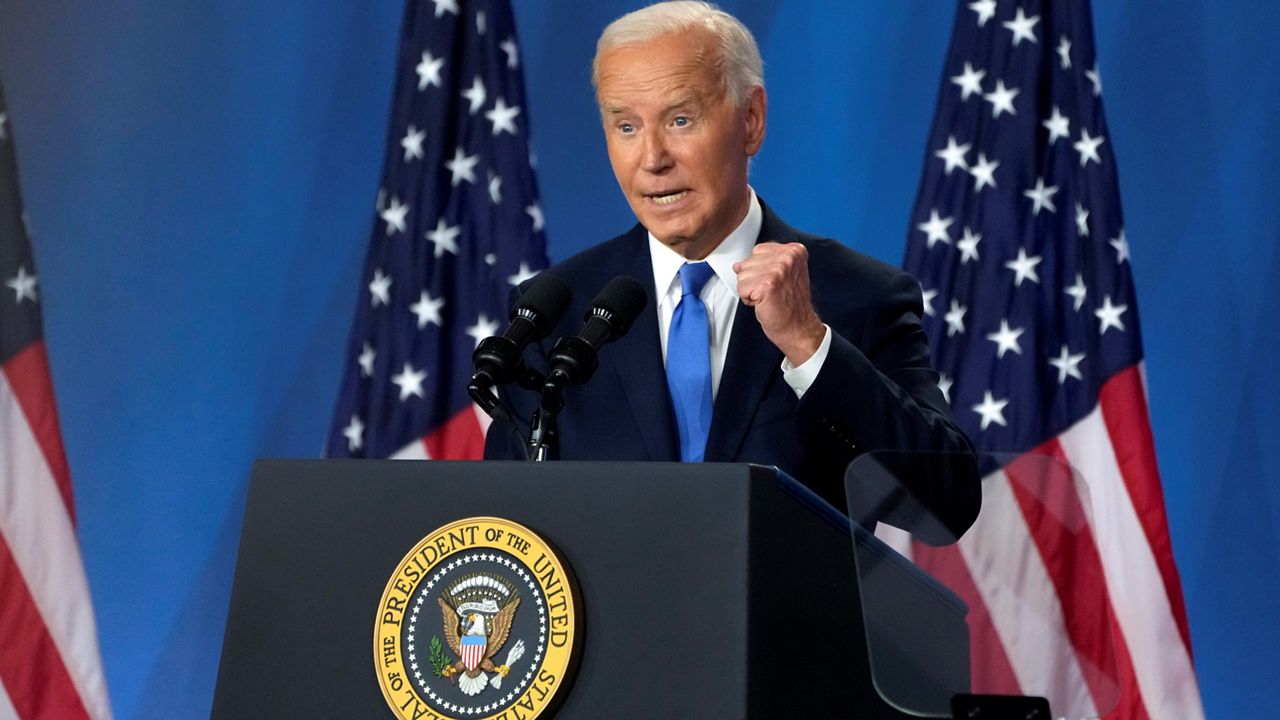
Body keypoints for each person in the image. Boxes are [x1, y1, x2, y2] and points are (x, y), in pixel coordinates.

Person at [485, 1, 978, 539]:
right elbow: (505, 531)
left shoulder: (857, 295)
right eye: (626, 126)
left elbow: (943, 509)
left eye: (680, 119)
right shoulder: (555, 312)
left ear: (751, 120)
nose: (652, 158)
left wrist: (808, 343)